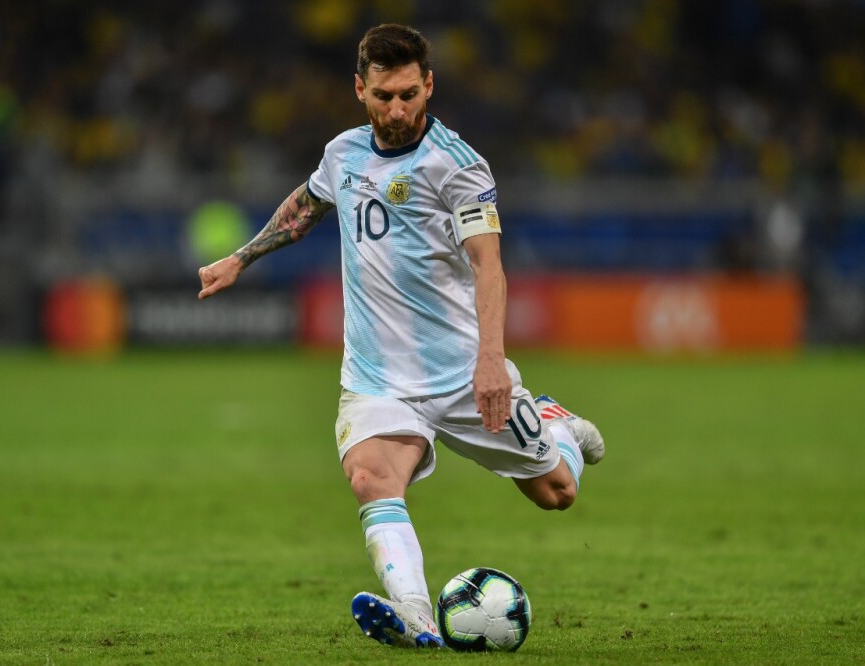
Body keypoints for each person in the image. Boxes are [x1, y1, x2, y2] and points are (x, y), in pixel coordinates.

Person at [198, 23, 605, 649]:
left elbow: (487, 263)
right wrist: (240, 258)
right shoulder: (343, 154)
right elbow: (305, 207)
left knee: (558, 493)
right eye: (384, 96)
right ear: (360, 89)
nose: (397, 110)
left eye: (410, 95)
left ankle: (555, 423)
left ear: (429, 85)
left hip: (461, 372)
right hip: (376, 377)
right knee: (370, 478)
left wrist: (492, 359)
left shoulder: (459, 166)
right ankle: (415, 617)